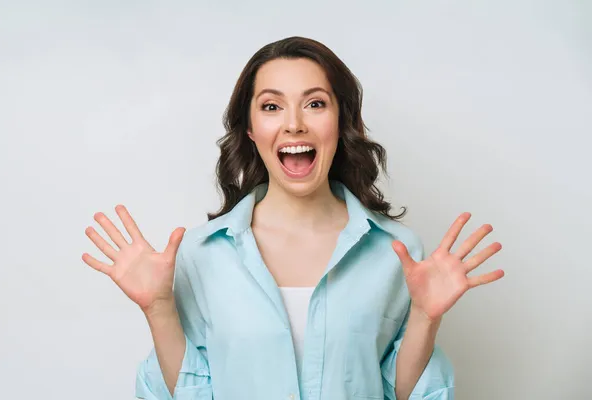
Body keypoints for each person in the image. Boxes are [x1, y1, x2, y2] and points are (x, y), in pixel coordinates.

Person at [82, 36, 504, 400]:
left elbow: (400, 392)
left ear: (342, 122)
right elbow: (193, 392)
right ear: (250, 128)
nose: (294, 124)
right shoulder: (202, 252)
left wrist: (425, 318)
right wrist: (159, 308)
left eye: (315, 104)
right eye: (271, 107)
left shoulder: (397, 251)